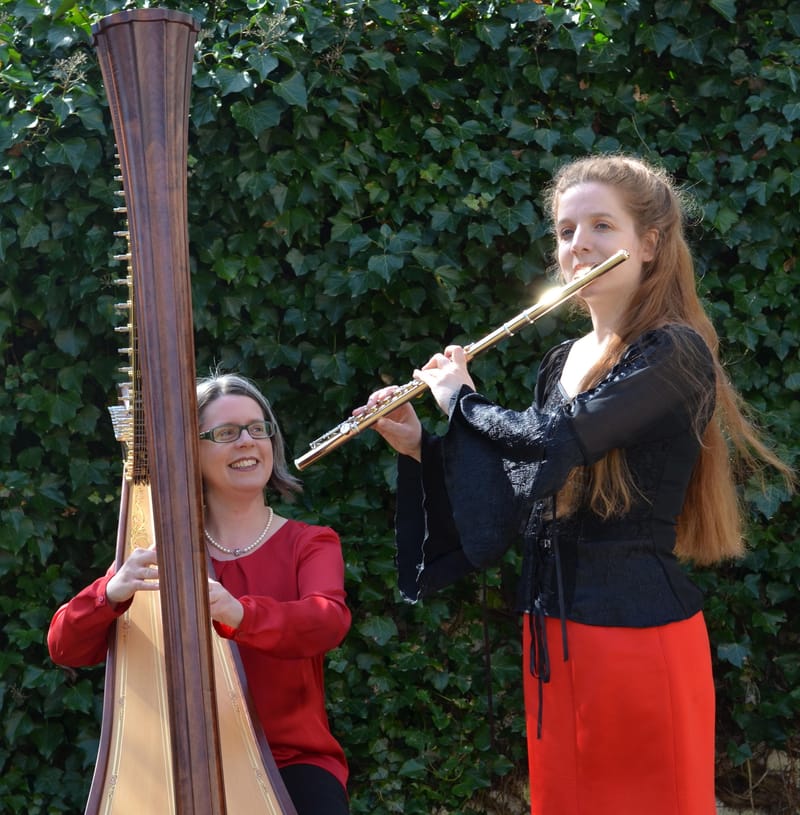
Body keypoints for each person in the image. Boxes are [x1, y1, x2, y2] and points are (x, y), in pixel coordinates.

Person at [358, 155, 793, 815]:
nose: (578, 244)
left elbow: (554, 439)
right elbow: (520, 488)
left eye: (600, 226)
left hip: (638, 639)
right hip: (553, 638)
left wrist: (463, 401)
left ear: (650, 243)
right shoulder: (561, 361)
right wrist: (421, 444)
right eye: (565, 231)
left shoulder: (674, 351)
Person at [48, 372, 351, 815]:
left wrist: (239, 613)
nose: (247, 442)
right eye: (226, 433)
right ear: (190, 452)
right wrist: (110, 592)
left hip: (291, 762)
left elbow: (327, 622)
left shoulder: (310, 543)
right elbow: (64, 647)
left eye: (258, 428)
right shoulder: (160, 552)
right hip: (178, 767)